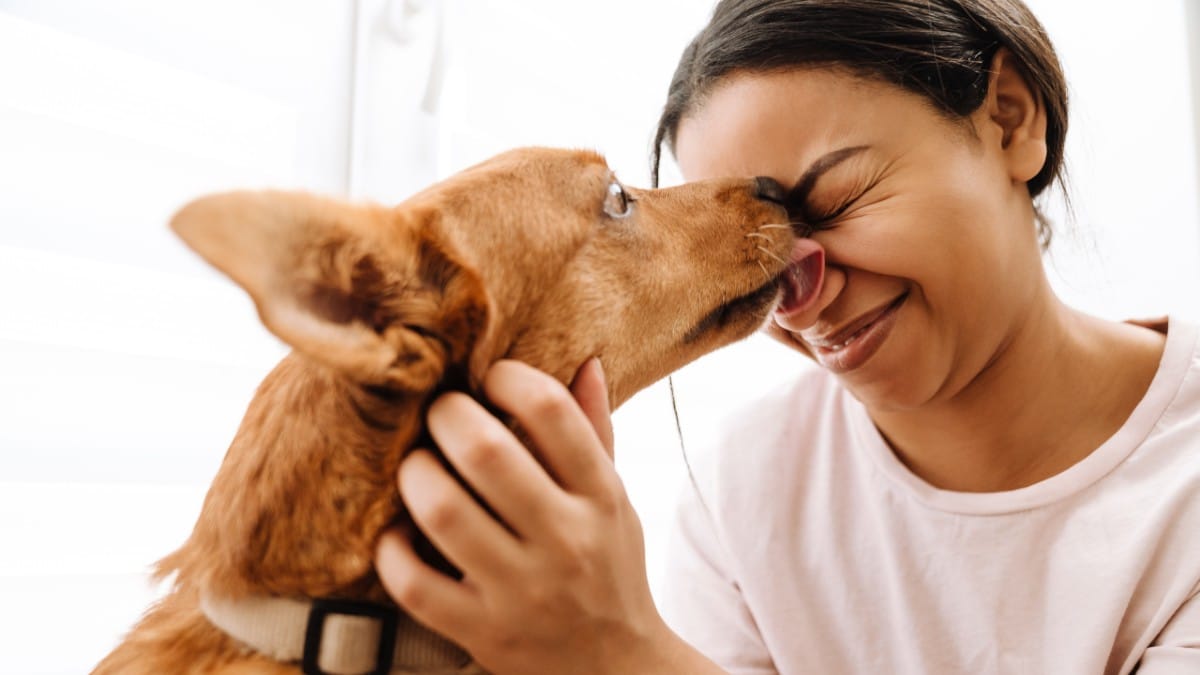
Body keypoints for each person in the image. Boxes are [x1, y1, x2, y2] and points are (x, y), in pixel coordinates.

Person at [374, 0, 1200, 672]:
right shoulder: (747, 487)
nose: (800, 300)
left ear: (1011, 119)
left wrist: (624, 650)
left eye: (836, 200)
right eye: (759, 265)